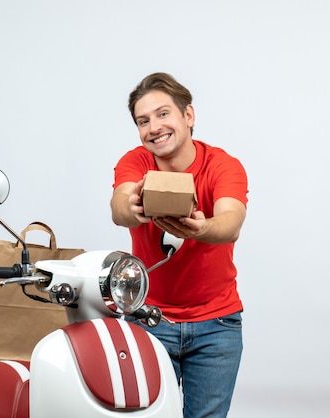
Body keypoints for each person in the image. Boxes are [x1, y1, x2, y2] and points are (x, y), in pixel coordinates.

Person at [110, 72, 248, 418]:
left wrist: (201, 229)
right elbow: (119, 207)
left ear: (188, 116)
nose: (153, 127)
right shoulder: (135, 162)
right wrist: (134, 206)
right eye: (143, 121)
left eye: (162, 114)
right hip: (148, 319)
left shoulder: (222, 165)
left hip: (216, 325)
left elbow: (230, 222)